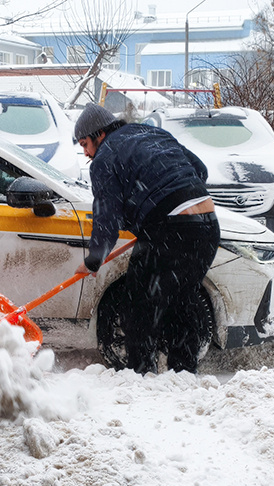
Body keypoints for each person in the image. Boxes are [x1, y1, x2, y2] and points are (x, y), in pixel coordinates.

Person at [73, 103, 219, 374]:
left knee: (139, 305)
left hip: (170, 229)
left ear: (100, 135)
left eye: (85, 144)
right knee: (181, 302)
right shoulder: (152, 133)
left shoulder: (105, 159)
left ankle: (141, 377)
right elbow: (200, 170)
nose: (86, 152)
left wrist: (94, 260)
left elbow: (107, 216)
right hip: (207, 227)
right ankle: (183, 375)